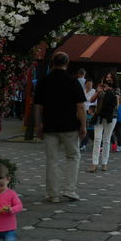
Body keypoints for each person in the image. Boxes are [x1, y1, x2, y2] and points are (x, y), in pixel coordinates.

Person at [34, 52, 86, 202]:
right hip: (69, 126)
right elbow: (80, 107)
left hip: (50, 126)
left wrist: (38, 125)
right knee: (73, 156)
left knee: (52, 160)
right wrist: (83, 125)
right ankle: (70, 190)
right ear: (67, 63)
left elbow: (38, 106)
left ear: (52, 63)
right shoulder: (73, 81)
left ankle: (53, 194)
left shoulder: (44, 81)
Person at [89, 80, 118, 172]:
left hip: (110, 117)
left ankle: (104, 163)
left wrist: (110, 93)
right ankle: (94, 163)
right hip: (99, 117)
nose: (104, 86)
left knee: (106, 140)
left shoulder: (115, 92)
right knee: (97, 139)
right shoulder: (99, 92)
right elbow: (91, 100)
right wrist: (98, 91)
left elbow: (117, 106)